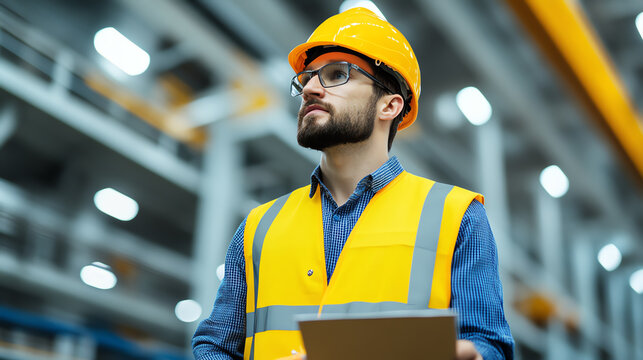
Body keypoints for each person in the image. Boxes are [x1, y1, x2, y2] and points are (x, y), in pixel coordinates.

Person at [193, 7, 514, 360]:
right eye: (307, 78)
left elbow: (489, 345)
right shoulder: (258, 227)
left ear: (389, 106)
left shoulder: (457, 217)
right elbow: (214, 345)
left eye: (336, 74)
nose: (310, 88)